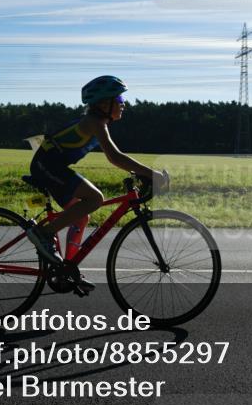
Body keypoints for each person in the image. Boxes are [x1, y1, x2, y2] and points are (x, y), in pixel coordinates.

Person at [26, 75, 168, 288]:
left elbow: (116, 157)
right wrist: (151, 173)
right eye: (119, 100)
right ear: (104, 103)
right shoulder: (94, 123)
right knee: (95, 199)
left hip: (52, 165)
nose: (123, 104)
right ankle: (43, 234)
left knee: (82, 216)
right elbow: (115, 157)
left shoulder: (98, 121)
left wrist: (142, 173)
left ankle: (68, 269)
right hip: (46, 166)